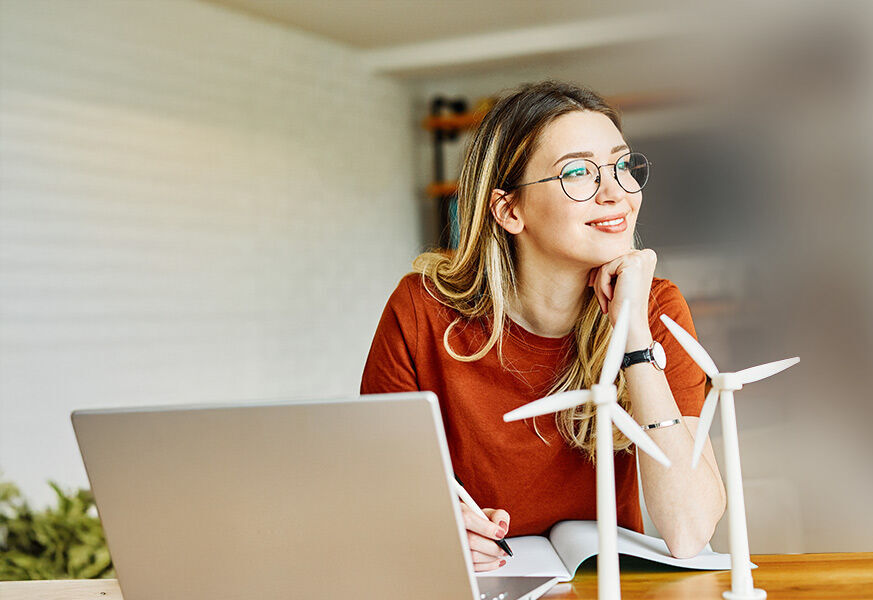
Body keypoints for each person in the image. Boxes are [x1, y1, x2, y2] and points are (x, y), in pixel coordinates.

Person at [360, 80, 726, 573]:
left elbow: (689, 531)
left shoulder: (655, 308)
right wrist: (432, 527)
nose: (616, 193)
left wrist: (634, 339)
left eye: (621, 166)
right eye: (577, 173)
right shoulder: (421, 310)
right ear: (510, 210)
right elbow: (373, 501)